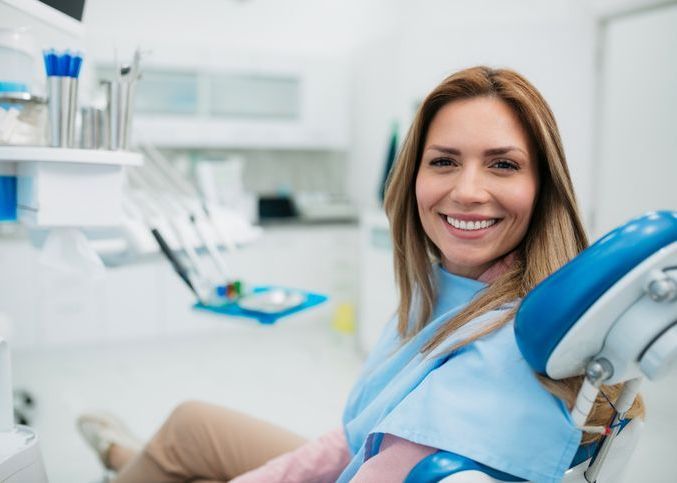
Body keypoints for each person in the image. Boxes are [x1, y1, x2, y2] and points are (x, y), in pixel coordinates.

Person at [78, 66, 643, 483]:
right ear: (414, 178)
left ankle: (126, 462)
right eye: (444, 160)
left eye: (503, 164)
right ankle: (131, 459)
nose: (467, 191)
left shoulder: (504, 347)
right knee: (192, 423)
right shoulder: (457, 290)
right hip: (359, 461)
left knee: (184, 456)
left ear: (543, 187)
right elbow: (356, 439)